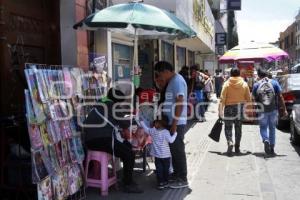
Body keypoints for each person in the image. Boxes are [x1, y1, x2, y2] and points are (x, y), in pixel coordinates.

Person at [83, 87, 143, 193]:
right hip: (101, 140)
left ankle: (127, 179)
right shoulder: (111, 106)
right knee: (128, 153)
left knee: (128, 147)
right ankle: (128, 184)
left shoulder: (101, 103)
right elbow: (125, 123)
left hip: (90, 140)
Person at [154, 61, 188, 188]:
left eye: (159, 74)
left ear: (165, 71)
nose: (159, 76)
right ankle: (177, 174)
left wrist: (174, 123)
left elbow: (180, 102)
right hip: (171, 122)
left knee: (178, 150)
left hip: (177, 123)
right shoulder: (172, 81)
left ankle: (182, 178)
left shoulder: (177, 80)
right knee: (173, 150)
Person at [252, 68, 287, 155]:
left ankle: (265, 139)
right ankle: (272, 147)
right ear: (267, 74)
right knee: (272, 129)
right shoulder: (274, 83)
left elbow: (253, 99)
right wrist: (284, 109)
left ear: (259, 76)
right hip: (273, 110)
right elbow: (280, 96)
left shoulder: (256, 84)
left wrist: (253, 111)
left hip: (262, 110)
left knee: (263, 127)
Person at [138, 115, 177, 189]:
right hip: (166, 156)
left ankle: (160, 183)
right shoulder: (165, 132)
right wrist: (175, 134)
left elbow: (146, 129)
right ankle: (166, 181)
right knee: (166, 169)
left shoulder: (153, 131)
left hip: (157, 156)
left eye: (155, 122)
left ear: (160, 123)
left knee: (159, 169)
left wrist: (141, 121)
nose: (154, 124)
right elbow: (171, 141)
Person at [219, 67, 251, 156]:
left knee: (228, 127)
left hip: (228, 108)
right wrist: (249, 110)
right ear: (239, 74)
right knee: (238, 128)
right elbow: (249, 98)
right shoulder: (244, 84)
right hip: (240, 108)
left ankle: (230, 142)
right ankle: (237, 146)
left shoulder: (226, 84)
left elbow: (222, 99)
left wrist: (220, 111)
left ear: (230, 74)